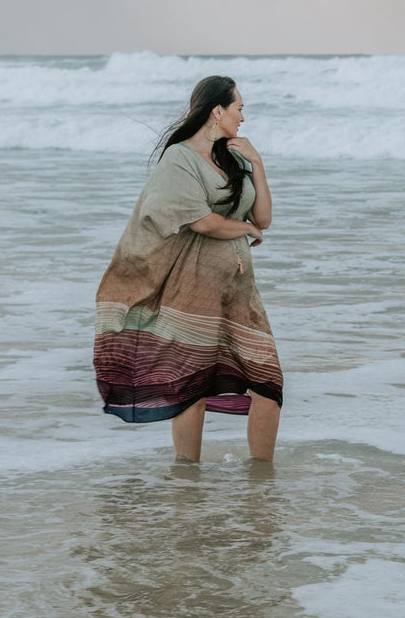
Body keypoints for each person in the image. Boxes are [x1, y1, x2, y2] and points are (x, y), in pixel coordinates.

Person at [93, 75, 283, 462]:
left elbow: (262, 219)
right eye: (239, 108)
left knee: (267, 385)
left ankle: (262, 477)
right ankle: (187, 482)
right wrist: (244, 228)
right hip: (192, 290)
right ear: (217, 110)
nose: (243, 118)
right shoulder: (179, 158)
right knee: (192, 389)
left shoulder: (234, 158)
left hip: (239, 292)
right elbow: (202, 222)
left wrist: (258, 164)